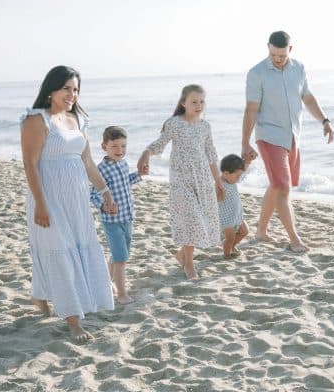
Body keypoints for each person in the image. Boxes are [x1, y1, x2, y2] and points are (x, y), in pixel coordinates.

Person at [20, 65, 118, 342]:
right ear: (50, 90)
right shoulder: (37, 120)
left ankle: (39, 296)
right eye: (66, 88)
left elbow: (86, 161)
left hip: (76, 201)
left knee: (73, 248)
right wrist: (40, 203)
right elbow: (30, 163)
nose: (72, 94)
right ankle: (74, 321)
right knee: (58, 251)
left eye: (75, 89)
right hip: (48, 198)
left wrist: (105, 191)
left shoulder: (76, 120)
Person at [241, 30, 334, 253]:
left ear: (290, 50)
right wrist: (245, 142)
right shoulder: (257, 73)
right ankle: (294, 239)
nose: (278, 59)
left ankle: (261, 231)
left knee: (278, 186)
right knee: (283, 187)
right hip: (269, 136)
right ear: (268, 48)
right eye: (274, 55)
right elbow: (251, 109)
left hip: (292, 136)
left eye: (282, 55)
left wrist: (325, 121)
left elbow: (308, 98)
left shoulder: (299, 69)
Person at [137, 84, 224, 280]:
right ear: (184, 103)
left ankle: (182, 255)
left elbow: (211, 154)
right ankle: (189, 265)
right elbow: (160, 143)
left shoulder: (205, 126)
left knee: (200, 220)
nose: (199, 105)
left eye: (202, 101)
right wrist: (145, 154)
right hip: (180, 179)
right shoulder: (174, 123)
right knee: (191, 219)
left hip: (201, 179)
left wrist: (217, 180)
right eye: (194, 101)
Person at [89, 126, 142, 304]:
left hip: (127, 217)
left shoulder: (123, 163)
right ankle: (121, 295)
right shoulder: (101, 169)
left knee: (120, 254)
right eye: (115, 146)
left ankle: (107, 284)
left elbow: (125, 182)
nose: (120, 150)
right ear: (104, 147)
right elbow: (94, 194)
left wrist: (139, 175)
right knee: (121, 259)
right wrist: (104, 206)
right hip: (112, 221)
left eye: (123, 146)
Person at [217, 154, 249, 259]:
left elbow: (243, 170)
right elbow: (214, 199)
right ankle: (227, 255)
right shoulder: (219, 185)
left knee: (244, 231)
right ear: (226, 173)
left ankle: (232, 246)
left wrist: (248, 161)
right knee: (230, 237)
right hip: (225, 217)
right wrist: (218, 196)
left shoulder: (232, 179)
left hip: (237, 214)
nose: (239, 179)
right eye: (237, 176)